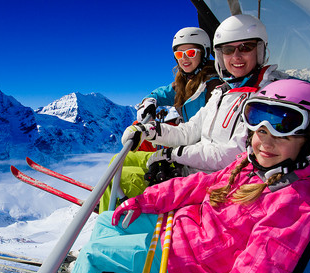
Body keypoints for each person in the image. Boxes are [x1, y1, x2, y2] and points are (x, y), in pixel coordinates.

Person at [64, 79, 310, 273]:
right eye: (260, 131)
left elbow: (261, 271)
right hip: (185, 232)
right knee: (106, 220)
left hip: (193, 262)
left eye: (282, 134)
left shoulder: (293, 201)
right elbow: (201, 184)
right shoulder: (250, 165)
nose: (265, 143)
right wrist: (147, 200)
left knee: (93, 254)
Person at [103, 15, 287, 212]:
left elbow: (232, 155)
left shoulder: (263, 98)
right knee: (118, 162)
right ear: (220, 55)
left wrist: (172, 154)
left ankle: (113, 223)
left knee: (117, 177)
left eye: (246, 47)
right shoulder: (223, 91)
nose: (236, 57)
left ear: (260, 51)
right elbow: (189, 130)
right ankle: (112, 211)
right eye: (228, 50)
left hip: (206, 176)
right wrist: (149, 130)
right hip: (190, 161)